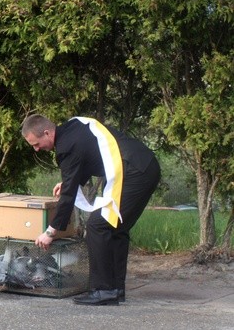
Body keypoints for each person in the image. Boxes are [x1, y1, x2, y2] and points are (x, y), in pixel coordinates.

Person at [21, 114, 160, 306]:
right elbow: (88, 155)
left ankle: (103, 290)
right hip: (144, 165)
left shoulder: (65, 147)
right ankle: (115, 289)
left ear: (47, 132)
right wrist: (69, 181)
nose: (36, 149)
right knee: (114, 228)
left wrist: (50, 232)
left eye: (36, 144)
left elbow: (68, 196)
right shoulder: (74, 126)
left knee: (98, 226)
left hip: (134, 171)